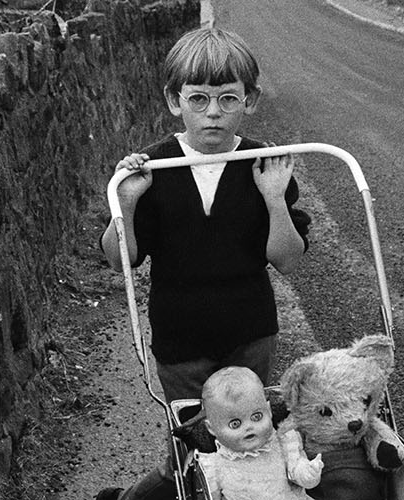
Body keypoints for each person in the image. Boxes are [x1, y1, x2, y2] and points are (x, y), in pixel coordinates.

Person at [96, 26, 311, 500]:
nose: (213, 113)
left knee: (252, 436)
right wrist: (127, 204)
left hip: (251, 329)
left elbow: (288, 260)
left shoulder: (264, 164)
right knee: (193, 444)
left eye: (228, 99)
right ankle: (139, 497)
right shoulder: (152, 167)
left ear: (250, 100)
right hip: (180, 334)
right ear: (175, 100)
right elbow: (121, 261)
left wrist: (275, 200)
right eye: (198, 99)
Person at [196, 367, 324, 500]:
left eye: (256, 417)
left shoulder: (283, 442)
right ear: (212, 429)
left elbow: (298, 474)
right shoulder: (214, 465)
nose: (249, 427)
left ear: (268, 411)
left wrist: (309, 473)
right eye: (235, 424)